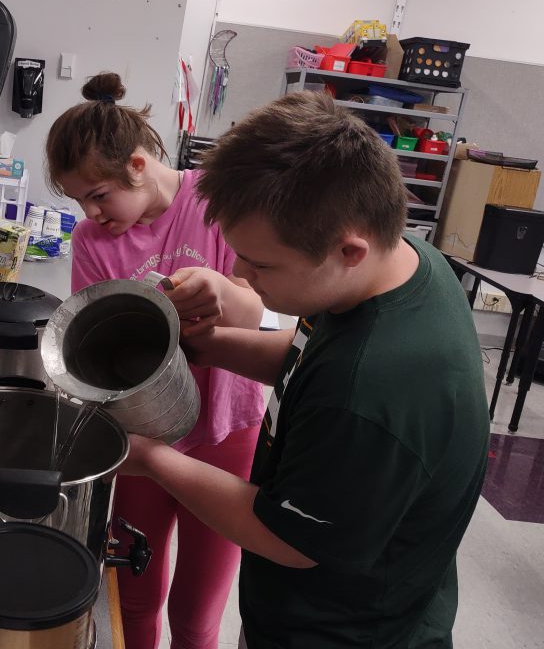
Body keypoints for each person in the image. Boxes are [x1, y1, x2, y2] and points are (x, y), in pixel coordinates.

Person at [120, 90, 490, 648]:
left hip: (342, 631)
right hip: (318, 601)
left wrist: (148, 457)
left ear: (348, 251)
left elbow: (286, 535)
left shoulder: (373, 391)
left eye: (262, 263)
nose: (241, 271)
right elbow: (310, 354)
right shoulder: (402, 262)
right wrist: (210, 346)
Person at [45, 72, 266, 649]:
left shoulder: (217, 202)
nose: (92, 213)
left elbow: (254, 312)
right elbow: (92, 351)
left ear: (138, 166)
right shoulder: (94, 244)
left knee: (197, 611)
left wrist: (223, 290)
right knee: (134, 597)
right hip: (143, 439)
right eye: (78, 201)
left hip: (225, 431)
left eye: (98, 195)